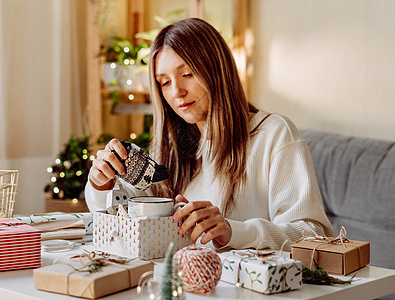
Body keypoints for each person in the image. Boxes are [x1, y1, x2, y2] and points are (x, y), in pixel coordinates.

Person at [85, 18, 333, 251]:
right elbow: (124, 221)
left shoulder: (274, 135)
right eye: (165, 82)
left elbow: (313, 235)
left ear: (217, 70)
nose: (177, 92)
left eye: (187, 74)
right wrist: (102, 183)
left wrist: (233, 231)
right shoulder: (171, 148)